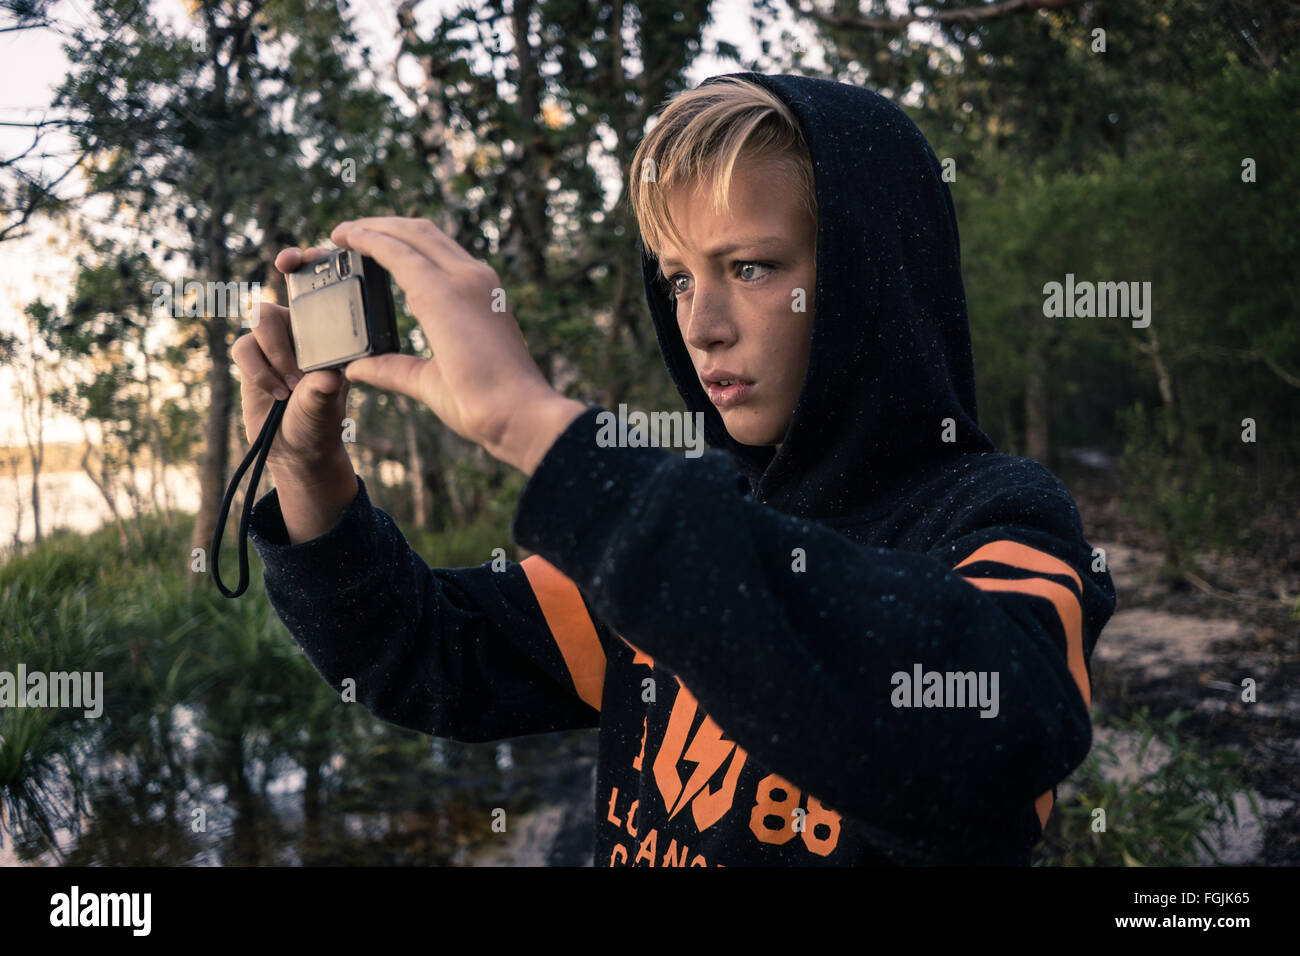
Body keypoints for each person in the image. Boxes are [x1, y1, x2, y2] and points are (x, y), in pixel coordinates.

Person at [235, 72, 1116, 866]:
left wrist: (536, 425)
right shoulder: (683, 522)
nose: (702, 326)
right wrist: (308, 477)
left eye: (752, 267)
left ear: (873, 276)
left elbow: (999, 737)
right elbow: (430, 651)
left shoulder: (994, 516)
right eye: (680, 280)